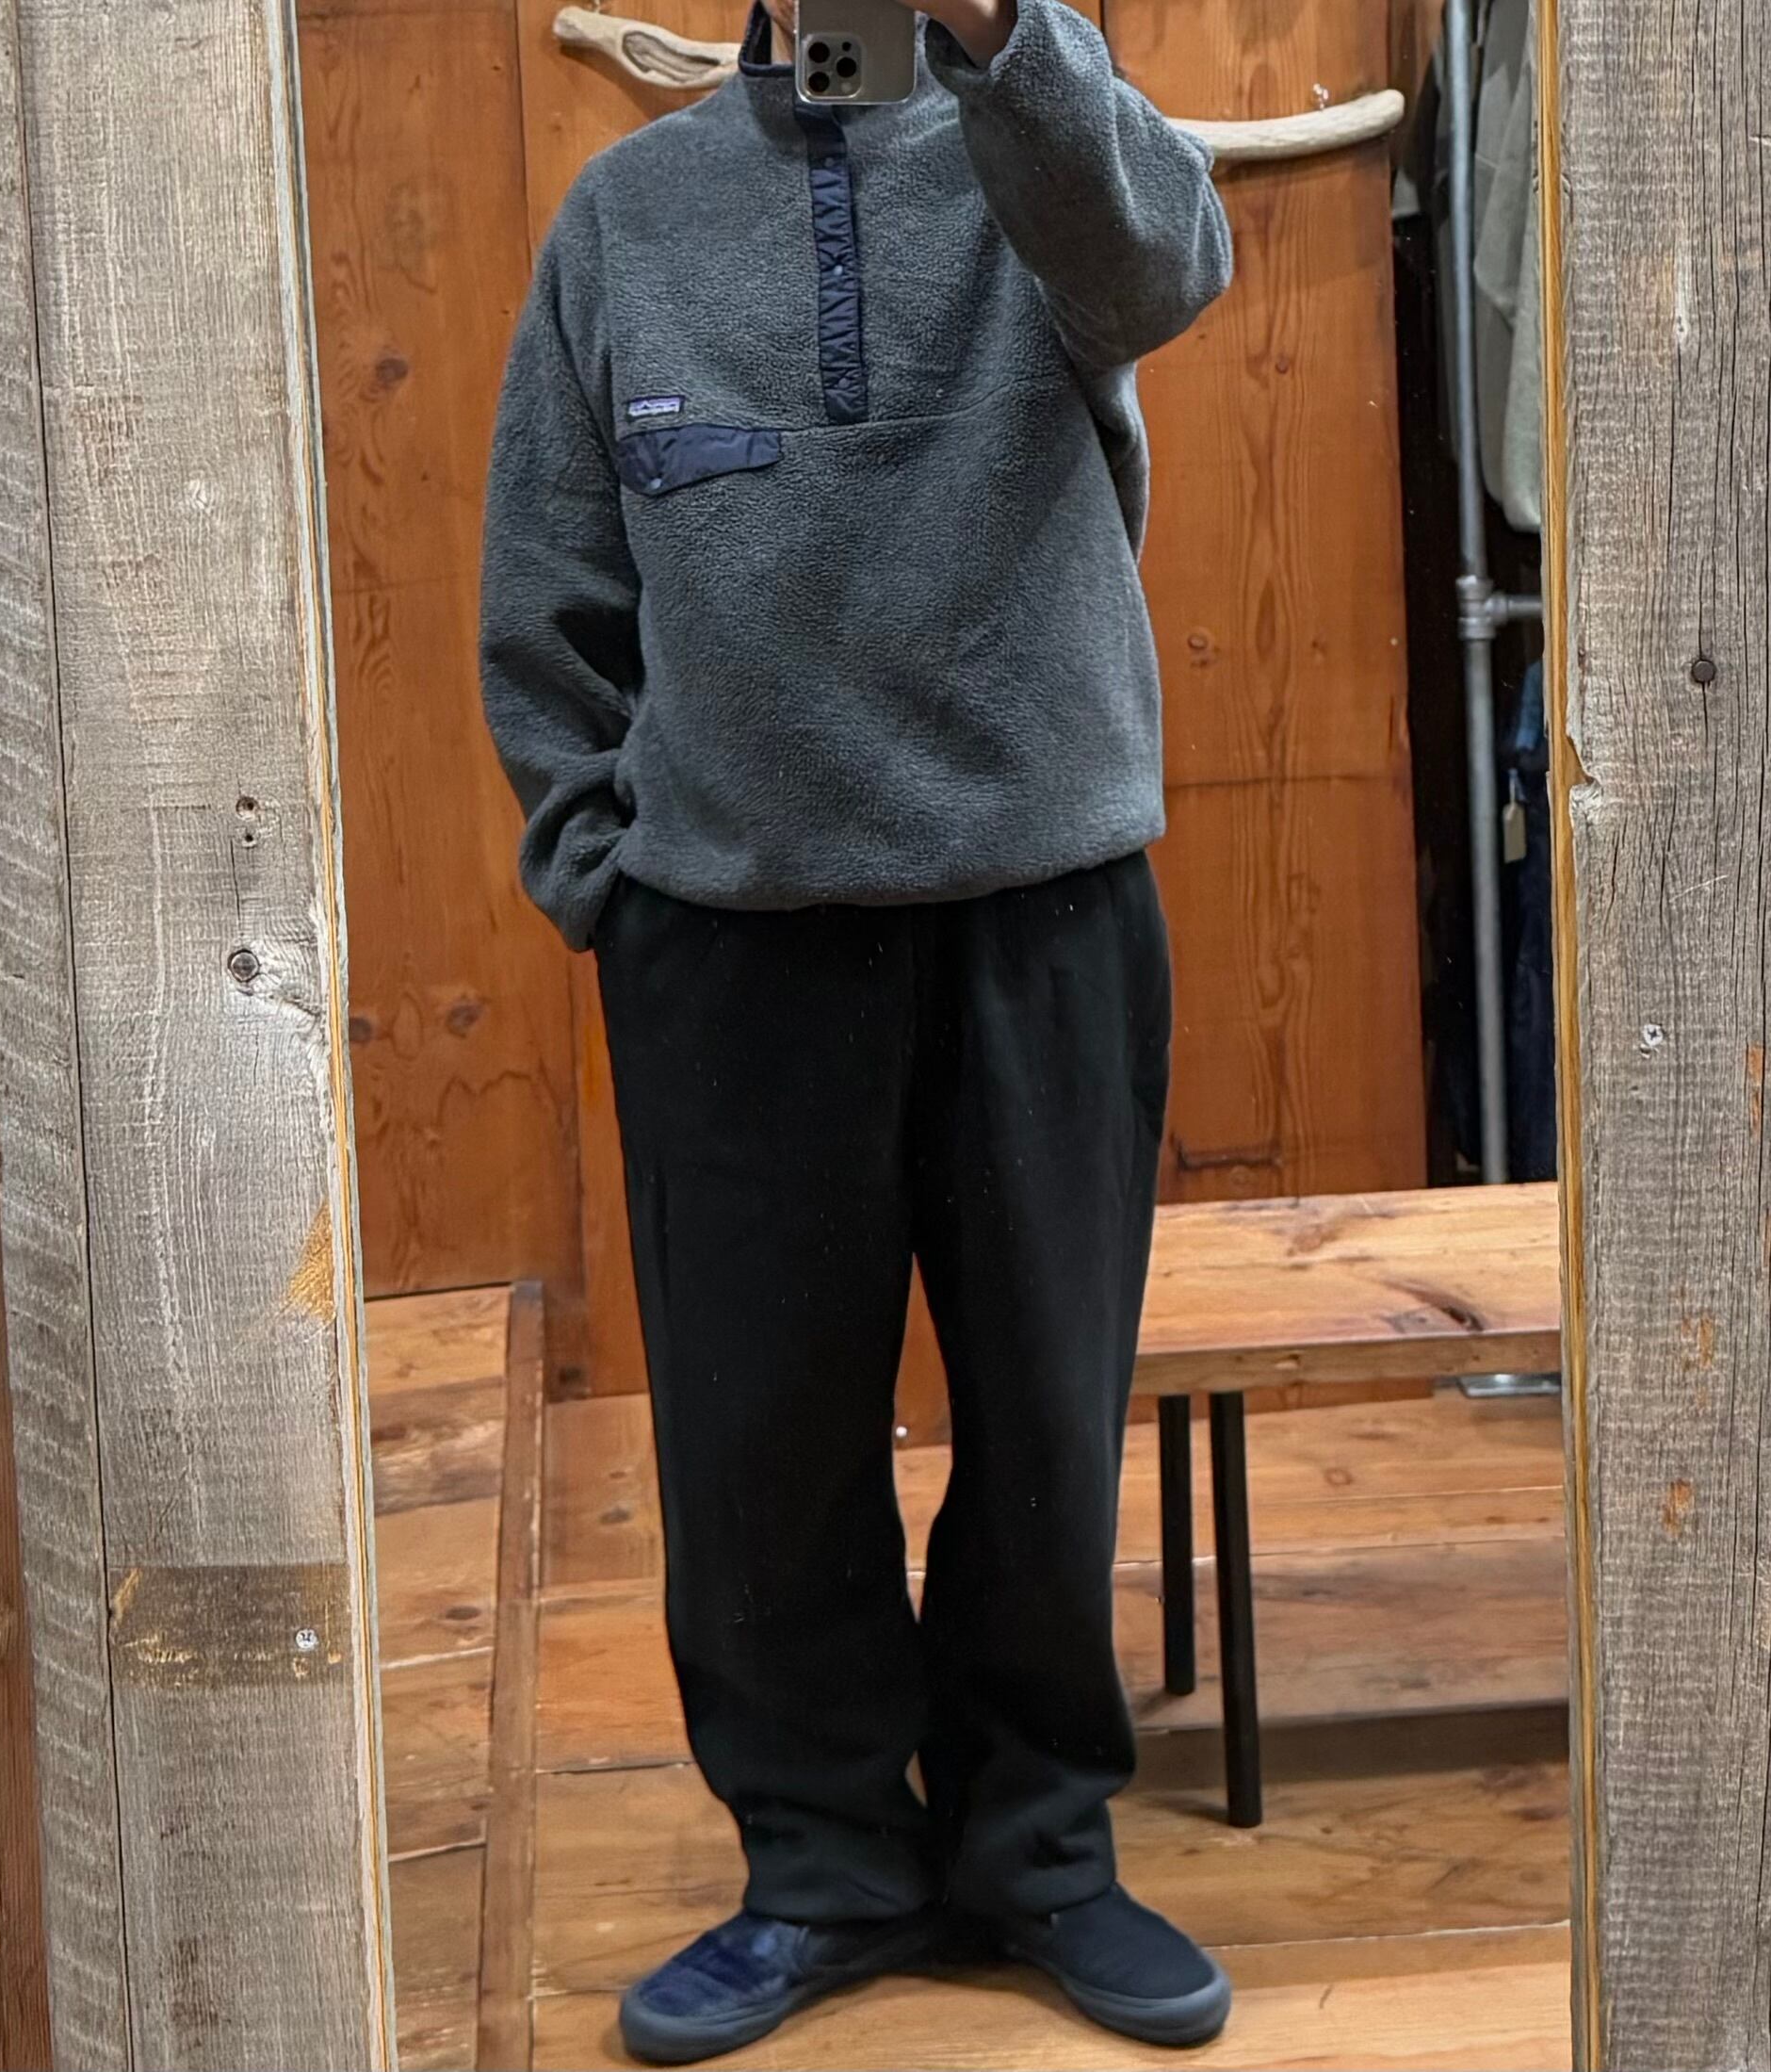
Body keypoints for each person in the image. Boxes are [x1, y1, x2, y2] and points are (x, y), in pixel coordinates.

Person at [480, 0, 1232, 2058]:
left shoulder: (1049, 162)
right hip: (730, 939)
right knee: (758, 1443)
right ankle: (820, 1865)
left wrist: (1004, 36)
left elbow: (1168, 265)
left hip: (1043, 903)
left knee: (1047, 1414)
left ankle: (1039, 1850)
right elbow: (548, 585)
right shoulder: (624, 218)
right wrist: (610, 878)